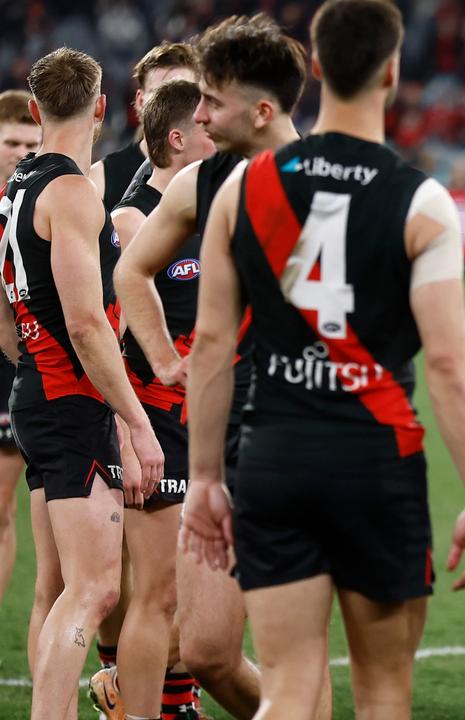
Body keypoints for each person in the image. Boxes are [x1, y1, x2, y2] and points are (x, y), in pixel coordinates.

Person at [179, 0, 465, 715]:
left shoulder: (241, 187)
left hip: (273, 459)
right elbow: (447, 363)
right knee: (382, 689)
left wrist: (204, 476)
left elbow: (207, 343)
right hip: (375, 462)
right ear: (392, 71)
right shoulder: (423, 202)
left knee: (288, 687)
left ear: (316, 67)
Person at [114, 14, 314, 719]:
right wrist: (168, 359)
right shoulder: (201, 182)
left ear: (260, 110)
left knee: (295, 658)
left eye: (212, 99)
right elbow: (132, 274)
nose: (197, 113)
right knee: (204, 650)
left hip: (310, 441)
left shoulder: (329, 184)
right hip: (219, 446)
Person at [0, 47, 164, 718]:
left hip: (37, 394)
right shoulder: (70, 193)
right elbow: (89, 326)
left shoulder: (15, 188)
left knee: (64, 585)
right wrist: (139, 422)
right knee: (94, 592)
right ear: (100, 107)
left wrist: (32, 363)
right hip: (71, 404)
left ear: (36, 110)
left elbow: (9, 320)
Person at [92, 78, 214, 720]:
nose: (216, 136)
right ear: (177, 139)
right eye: (207, 125)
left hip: (205, 421)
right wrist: (125, 428)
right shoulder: (132, 217)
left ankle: (173, 705)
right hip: (156, 421)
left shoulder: (203, 209)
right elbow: (110, 335)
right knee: (159, 592)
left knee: (191, 590)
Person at [0, 88, 39, 608]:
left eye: (33, 141)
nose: (23, 151)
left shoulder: (43, 199)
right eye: (11, 141)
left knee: (0, 507)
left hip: (13, 363)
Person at [88, 42, 199, 212]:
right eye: (160, 94)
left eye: (184, 94)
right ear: (140, 101)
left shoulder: (218, 173)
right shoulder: (101, 179)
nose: (173, 105)